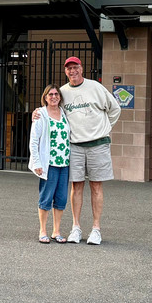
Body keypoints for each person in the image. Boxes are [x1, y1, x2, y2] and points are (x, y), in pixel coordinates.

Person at [34, 56, 120, 245]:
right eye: (69, 69)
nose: (72, 71)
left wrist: (105, 128)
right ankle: (76, 227)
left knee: (96, 185)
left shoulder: (95, 87)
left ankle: (96, 229)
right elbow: (53, 108)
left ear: (82, 69)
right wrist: (37, 112)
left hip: (98, 144)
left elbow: (115, 109)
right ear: (66, 72)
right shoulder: (63, 92)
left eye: (75, 67)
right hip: (75, 146)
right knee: (76, 186)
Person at [28, 84, 69, 244]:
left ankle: (56, 231)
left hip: (64, 163)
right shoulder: (40, 114)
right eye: (50, 94)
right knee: (46, 198)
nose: (54, 97)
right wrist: (37, 162)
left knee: (61, 198)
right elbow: (34, 141)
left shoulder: (64, 113)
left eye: (56, 94)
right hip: (48, 164)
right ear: (45, 97)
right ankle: (43, 230)